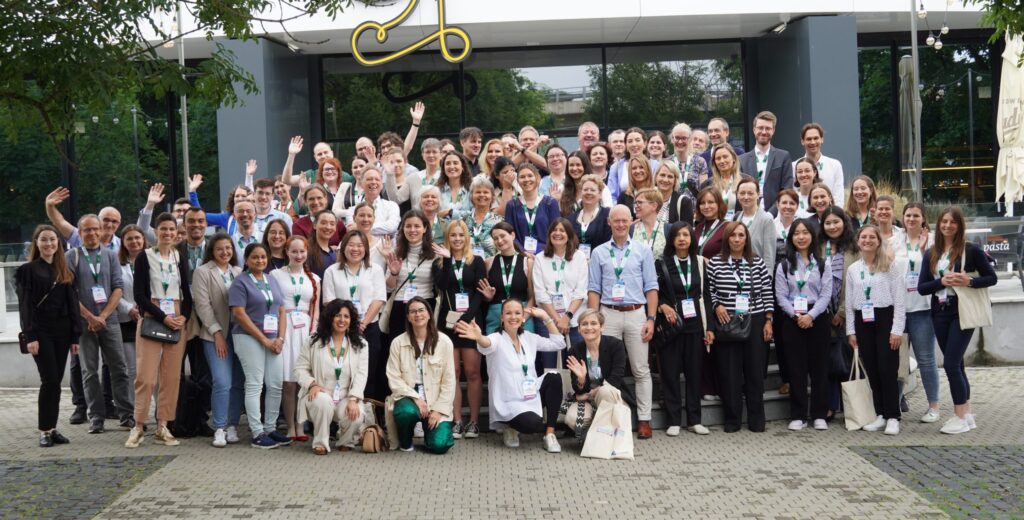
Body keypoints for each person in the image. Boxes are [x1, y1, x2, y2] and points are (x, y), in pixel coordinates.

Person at [918, 207, 997, 434]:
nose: (947, 226)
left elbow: (991, 278)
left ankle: (959, 416)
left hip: (963, 310)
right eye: (944, 221)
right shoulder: (931, 253)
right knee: (958, 364)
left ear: (959, 226)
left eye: (953, 222)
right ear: (938, 225)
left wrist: (968, 281)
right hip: (940, 312)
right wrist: (941, 282)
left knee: (951, 364)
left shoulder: (971, 250)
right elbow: (923, 288)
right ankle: (968, 414)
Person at [455, 299, 566, 452]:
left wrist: (545, 317)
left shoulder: (529, 337)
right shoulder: (496, 338)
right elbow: (486, 344)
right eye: (508, 313)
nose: (513, 317)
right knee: (532, 424)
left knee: (554, 377)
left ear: (523, 317)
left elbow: (559, 344)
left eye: (517, 313)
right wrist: (479, 337)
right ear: (501, 317)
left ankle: (550, 434)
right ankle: (509, 426)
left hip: (530, 395)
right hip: (509, 401)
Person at [587, 205, 658, 439]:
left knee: (641, 369)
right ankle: (610, 417)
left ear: (631, 222)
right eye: (615, 221)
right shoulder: (598, 252)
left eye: (624, 220)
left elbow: (651, 287)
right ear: (609, 222)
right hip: (609, 314)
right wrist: (594, 320)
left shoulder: (642, 250)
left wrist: (651, 318)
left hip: (637, 313)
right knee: (606, 369)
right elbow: (594, 289)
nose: (620, 224)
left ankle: (645, 420)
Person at [125, 213, 194, 448]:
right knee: (145, 376)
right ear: (156, 231)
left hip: (176, 316)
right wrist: (163, 317)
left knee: (171, 376)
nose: (167, 233)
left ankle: (163, 425)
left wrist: (184, 315)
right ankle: (138, 425)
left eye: (171, 229)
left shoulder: (179, 257)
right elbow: (139, 295)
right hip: (154, 314)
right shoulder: (144, 257)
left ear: (176, 232)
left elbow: (186, 290)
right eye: (163, 229)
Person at [67, 214, 134, 434]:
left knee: (119, 368)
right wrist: (90, 317)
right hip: (84, 324)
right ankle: (96, 417)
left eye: (95, 229)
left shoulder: (111, 256)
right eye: (87, 230)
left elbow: (117, 288)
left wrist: (103, 316)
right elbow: (69, 293)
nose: (92, 233)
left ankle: (126, 414)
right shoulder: (71, 256)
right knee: (89, 372)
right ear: (79, 233)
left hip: (110, 321)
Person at [17, 225, 82, 447]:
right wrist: (30, 335)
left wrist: (75, 336)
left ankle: (53, 428)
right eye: (44, 240)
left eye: (52, 240)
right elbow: (25, 305)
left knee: (56, 382)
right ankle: (44, 430)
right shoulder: (28, 270)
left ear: (59, 243)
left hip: (62, 333)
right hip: (40, 332)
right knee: (50, 380)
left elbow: (72, 305)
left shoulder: (64, 271)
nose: (49, 244)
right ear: (36, 243)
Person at [708, 221, 774, 433]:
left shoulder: (757, 262)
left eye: (741, 235)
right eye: (733, 236)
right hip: (728, 321)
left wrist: (768, 320)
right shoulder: (716, 262)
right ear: (727, 238)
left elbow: (766, 291)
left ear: (746, 239)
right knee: (730, 373)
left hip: (754, 319)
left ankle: (757, 420)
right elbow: (709, 291)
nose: (737, 239)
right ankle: (732, 420)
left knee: (754, 372)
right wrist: (717, 305)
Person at [228, 243, 291, 449]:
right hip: (248, 337)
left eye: (263, 257)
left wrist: (280, 339)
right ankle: (257, 432)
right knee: (255, 384)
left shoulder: (271, 279)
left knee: (275, 384)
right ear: (246, 260)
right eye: (255, 257)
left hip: (274, 339)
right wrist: (263, 340)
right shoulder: (240, 283)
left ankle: (271, 428)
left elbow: (281, 310)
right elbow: (239, 314)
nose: (260, 261)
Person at [845, 225, 905, 435]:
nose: (868, 240)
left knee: (887, 369)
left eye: (872, 237)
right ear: (858, 241)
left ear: (879, 241)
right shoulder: (853, 269)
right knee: (872, 369)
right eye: (864, 237)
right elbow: (850, 303)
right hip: (863, 321)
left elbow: (899, 300)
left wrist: (897, 329)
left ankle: (893, 416)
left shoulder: (890, 266)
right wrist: (851, 332)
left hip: (885, 318)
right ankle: (880, 413)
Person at [655, 222, 714, 436]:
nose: (682, 239)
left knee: (694, 373)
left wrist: (710, 328)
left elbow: (706, 295)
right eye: (678, 235)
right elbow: (655, 291)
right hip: (672, 326)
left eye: (686, 235)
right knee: (670, 373)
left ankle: (694, 420)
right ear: (671, 239)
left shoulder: (699, 262)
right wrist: (662, 304)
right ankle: (673, 420)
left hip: (696, 325)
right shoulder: (662, 263)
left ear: (692, 239)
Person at [775, 219, 833, 431]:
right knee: (796, 369)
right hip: (792, 319)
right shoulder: (784, 265)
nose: (801, 237)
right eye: (797, 233)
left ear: (812, 236)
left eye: (805, 233)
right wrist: (796, 316)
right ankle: (798, 414)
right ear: (791, 237)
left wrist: (811, 315)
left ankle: (819, 413)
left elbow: (826, 294)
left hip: (817, 318)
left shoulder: (822, 264)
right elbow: (780, 295)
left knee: (819, 368)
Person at [431, 221, 487, 439]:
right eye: (452, 235)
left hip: (471, 322)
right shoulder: (440, 262)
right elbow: (443, 285)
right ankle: (456, 420)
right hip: (447, 322)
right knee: (452, 372)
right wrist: (446, 259)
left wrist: (467, 317)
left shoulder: (477, 261)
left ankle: (473, 421)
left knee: (472, 372)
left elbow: (480, 292)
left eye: (460, 235)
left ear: (466, 238)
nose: (456, 239)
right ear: (447, 238)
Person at [295, 299, 370, 454]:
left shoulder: (361, 344)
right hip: (319, 395)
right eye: (337, 315)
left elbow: (362, 375)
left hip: (345, 397)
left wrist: (354, 399)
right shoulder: (313, 340)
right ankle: (320, 442)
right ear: (329, 317)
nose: (342, 320)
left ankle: (346, 441)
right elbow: (300, 369)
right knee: (323, 401)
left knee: (357, 414)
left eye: (346, 316)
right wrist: (312, 384)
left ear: (352, 320)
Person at [191, 232, 244, 447]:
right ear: (212, 251)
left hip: (240, 335)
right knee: (222, 381)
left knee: (238, 382)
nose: (225, 252)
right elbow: (203, 307)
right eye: (220, 248)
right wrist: (217, 333)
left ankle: (232, 424)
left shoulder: (239, 272)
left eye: (228, 248)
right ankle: (219, 427)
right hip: (215, 335)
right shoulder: (203, 272)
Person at [323, 230, 388, 404]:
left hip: (369, 328)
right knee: (340, 373)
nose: (355, 249)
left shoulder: (375, 269)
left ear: (366, 249)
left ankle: (367, 421)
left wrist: (363, 323)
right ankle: (339, 417)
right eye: (351, 245)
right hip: (339, 329)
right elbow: (329, 301)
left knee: (368, 374)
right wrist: (345, 322)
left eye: (360, 245)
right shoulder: (332, 271)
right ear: (343, 248)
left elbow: (379, 298)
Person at [385, 296, 457, 453]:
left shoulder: (444, 342)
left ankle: (430, 434)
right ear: (408, 317)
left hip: (436, 398)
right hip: (409, 396)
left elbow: (449, 381)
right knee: (405, 413)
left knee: (440, 446)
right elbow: (394, 378)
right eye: (413, 312)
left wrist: (438, 410)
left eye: (421, 310)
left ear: (429, 314)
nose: (417, 315)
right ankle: (405, 439)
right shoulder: (398, 343)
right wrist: (416, 398)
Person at [892, 202, 941, 423]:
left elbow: (939, 272)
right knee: (898, 361)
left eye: (916, 216)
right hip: (898, 309)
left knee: (926, 359)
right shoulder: (893, 242)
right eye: (908, 215)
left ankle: (934, 406)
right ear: (903, 218)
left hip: (922, 309)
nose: (911, 219)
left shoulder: (933, 242)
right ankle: (894, 405)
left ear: (923, 219)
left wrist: (923, 251)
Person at [270, 236, 320, 442]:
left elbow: (316, 308)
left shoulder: (315, 279)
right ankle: (290, 426)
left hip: (305, 330)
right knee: (288, 381)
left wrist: (313, 332)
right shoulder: (275, 275)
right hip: (286, 328)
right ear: (286, 252)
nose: (298, 256)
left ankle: (302, 424)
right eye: (294, 252)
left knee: (303, 381)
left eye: (302, 252)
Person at [562, 309, 628, 438]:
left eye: (593, 323)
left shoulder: (615, 345)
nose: (589, 327)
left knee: (605, 391)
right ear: (579, 329)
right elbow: (577, 388)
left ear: (602, 327)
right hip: (588, 402)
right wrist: (581, 380)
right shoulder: (575, 350)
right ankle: (599, 431)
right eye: (584, 324)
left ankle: (603, 437)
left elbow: (615, 379)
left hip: (612, 397)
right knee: (572, 419)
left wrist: (589, 394)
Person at [820, 206, 857, 419]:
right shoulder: (819, 247)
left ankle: (853, 408)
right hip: (823, 314)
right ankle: (831, 406)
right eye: (828, 223)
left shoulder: (854, 248)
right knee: (829, 361)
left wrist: (842, 312)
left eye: (836, 222)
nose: (832, 226)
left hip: (847, 313)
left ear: (844, 223)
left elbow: (856, 283)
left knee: (848, 359)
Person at [533, 219, 589, 349]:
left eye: (562, 230)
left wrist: (566, 317)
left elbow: (580, 292)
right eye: (554, 230)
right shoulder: (540, 258)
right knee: (550, 366)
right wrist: (557, 320)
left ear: (569, 235)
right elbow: (541, 294)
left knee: (575, 363)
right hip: (548, 322)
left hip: (575, 321)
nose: (557, 233)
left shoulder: (579, 257)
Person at [383, 210, 437, 340]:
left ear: (425, 228)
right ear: (403, 229)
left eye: (417, 226)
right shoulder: (395, 253)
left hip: (425, 306)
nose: (412, 230)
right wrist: (394, 273)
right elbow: (389, 287)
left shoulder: (436, 253)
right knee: (399, 347)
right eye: (408, 226)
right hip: (400, 306)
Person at [480, 222, 535, 335]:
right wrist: (488, 298)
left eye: (503, 236)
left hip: (522, 315)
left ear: (512, 235)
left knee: (523, 351)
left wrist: (524, 317)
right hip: (496, 316)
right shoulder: (489, 262)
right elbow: (486, 297)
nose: (499, 241)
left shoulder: (527, 262)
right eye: (495, 238)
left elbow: (532, 296)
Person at [114, 225, 145, 412]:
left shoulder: (151, 261)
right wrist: (128, 308)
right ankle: (135, 412)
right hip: (126, 320)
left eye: (137, 238)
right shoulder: (117, 264)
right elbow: (114, 290)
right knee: (132, 370)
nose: (134, 242)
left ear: (143, 240)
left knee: (152, 370)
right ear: (123, 243)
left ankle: (160, 414)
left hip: (149, 319)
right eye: (130, 239)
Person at [739, 111, 794, 212]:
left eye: (768, 128)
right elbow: (739, 192)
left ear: (773, 131)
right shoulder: (742, 160)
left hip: (776, 217)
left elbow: (787, 190)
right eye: (760, 128)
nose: (764, 132)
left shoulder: (783, 157)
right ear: (754, 130)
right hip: (749, 215)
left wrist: (771, 214)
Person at [505, 163, 560, 255]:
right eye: (522, 177)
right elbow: (509, 234)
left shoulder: (550, 203)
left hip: (546, 254)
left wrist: (543, 252)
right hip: (520, 255)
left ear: (538, 178)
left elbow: (556, 231)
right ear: (517, 181)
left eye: (530, 176)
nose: (526, 179)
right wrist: (523, 252)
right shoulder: (512, 205)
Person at [44, 187, 123, 251]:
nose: (109, 225)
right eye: (106, 220)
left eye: (114, 221)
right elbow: (59, 222)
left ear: (119, 224)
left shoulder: (123, 245)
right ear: (98, 220)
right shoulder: (81, 236)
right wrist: (49, 206)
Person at [336, 167, 400, 236]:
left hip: (387, 246)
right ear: (362, 184)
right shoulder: (352, 210)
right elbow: (353, 231)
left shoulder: (392, 206)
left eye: (377, 179)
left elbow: (392, 227)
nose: (373, 182)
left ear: (381, 185)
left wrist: (360, 227)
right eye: (369, 179)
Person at [796, 123, 845, 207]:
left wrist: (832, 217)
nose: (813, 142)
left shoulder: (835, 165)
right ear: (802, 141)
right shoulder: (793, 166)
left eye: (816, 138)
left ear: (822, 139)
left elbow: (838, 198)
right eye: (809, 139)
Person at [734, 177, 777, 269]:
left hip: (757, 276)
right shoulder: (736, 218)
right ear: (737, 195)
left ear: (758, 195)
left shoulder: (766, 219)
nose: (746, 197)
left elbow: (769, 256)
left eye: (750, 193)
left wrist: (767, 278)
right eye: (742, 193)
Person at [701, 143, 748, 220]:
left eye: (725, 157)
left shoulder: (745, 180)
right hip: (716, 226)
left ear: (733, 158)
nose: (722, 161)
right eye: (718, 158)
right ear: (714, 162)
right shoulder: (707, 184)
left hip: (739, 226)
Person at [569, 174, 612, 258]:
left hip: (601, 262)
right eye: (585, 189)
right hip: (576, 264)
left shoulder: (608, 215)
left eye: (592, 190)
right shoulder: (571, 218)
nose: (588, 192)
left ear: (600, 194)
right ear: (581, 193)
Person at [463, 177, 503, 258]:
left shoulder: (499, 221)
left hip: (491, 266)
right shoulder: (464, 220)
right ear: (471, 196)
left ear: (492, 196)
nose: (482, 195)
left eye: (486, 192)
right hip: (467, 266)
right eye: (478, 192)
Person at [668, 122, 710, 197]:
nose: (680, 141)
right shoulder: (667, 162)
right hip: (672, 207)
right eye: (677, 138)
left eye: (684, 138)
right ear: (672, 139)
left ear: (690, 139)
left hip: (694, 207)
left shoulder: (700, 162)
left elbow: (704, 191)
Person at [437, 151, 474, 221]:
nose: (451, 166)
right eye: (448, 163)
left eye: (455, 163)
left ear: (462, 167)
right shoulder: (437, 190)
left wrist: (450, 212)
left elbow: (475, 214)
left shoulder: (472, 189)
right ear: (443, 169)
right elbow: (433, 214)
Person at [654, 160, 693, 225]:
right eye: (662, 175)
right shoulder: (647, 199)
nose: (665, 180)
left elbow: (687, 231)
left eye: (670, 177)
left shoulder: (684, 202)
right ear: (656, 177)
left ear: (675, 180)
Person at [630, 188, 668, 254]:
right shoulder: (631, 229)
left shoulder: (668, 229)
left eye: (640, 202)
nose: (636, 206)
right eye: (635, 203)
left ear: (654, 206)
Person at [694, 188, 729, 259]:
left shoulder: (727, 228)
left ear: (719, 204)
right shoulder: (698, 227)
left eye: (710, 202)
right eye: (702, 203)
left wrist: (710, 264)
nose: (706, 206)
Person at [305, 210, 340, 281]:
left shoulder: (334, 253)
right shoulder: (306, 250)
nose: (328, 227)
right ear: (315, 225)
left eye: (332, 224)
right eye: (323, 223)